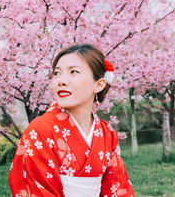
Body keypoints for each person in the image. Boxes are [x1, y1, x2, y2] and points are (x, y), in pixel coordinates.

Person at [8, 44, 135, 197]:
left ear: (99, 84)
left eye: (73, 71)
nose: (60, 81)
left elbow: (118, 188)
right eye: (56, 73)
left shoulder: (107, 133)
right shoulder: (39, 130)